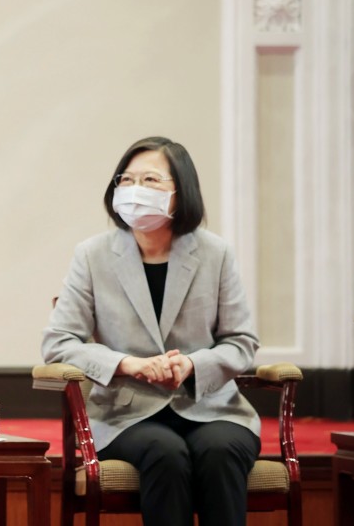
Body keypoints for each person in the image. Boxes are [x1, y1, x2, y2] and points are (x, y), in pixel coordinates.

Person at [41, 136, 261, 526]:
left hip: (211, 408)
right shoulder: (92, 255)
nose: (134, 190)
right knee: (165, 452)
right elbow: (59, 343)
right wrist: (128, 364)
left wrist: (192, 365)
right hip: (126, 414)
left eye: (150, 180)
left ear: (181, 192)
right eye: (125, 180)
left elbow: (241, 342)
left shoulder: (216, 254)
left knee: (221, 451)